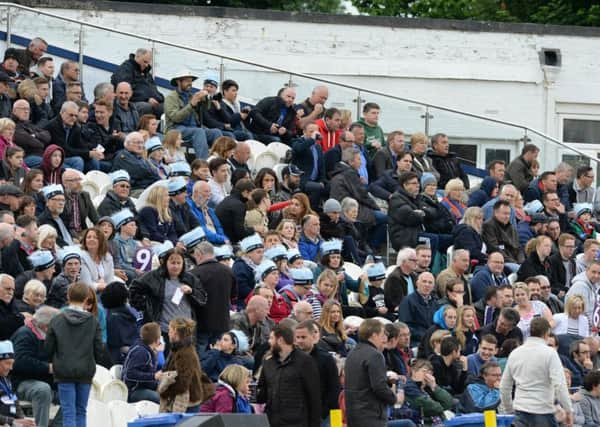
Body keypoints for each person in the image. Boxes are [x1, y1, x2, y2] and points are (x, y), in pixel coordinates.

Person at [45, 281, 104, 427]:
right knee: (81, 411)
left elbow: (48, 348)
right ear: (86, 299)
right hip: (85, 370)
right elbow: (99, 349)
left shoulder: (56, 319)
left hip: (63, 370)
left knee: (68, 412)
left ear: (68, 296)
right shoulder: (93, 321)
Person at [500, 317, 573, 427]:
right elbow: (560, 384)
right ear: (547, 333)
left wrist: (510, 409)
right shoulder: (550, 353)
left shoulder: (515, 353)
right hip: (543, 412)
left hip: (521, 410)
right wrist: (568, 410)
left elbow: (504, 386)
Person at [129, 246, 206, 343]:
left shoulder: (190, 278)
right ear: (165, 263)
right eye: (172, 263)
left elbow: (202, 298)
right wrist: (147, 306)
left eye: (179, 263)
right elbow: (134, 290)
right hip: (164, 330)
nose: (176, 266)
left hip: (186, 330)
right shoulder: (153, 277)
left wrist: (192, 292)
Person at [257, 323, 320, 427]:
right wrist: (251, 393)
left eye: (271, 338)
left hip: (297, 422)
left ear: (280, 340)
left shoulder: (305, 361)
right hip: (273, 421)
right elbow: (262, 393)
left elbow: (314, 397)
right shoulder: (268, 362)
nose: (269, 342)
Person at [10, 306, 60, 427]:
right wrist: (48, 367)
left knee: (72, 390)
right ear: (47, 326)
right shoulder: (25, 334)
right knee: (42, 390)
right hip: (21, 382)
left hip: (44, 380)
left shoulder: (50, 337)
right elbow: (19, 362)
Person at [190, 241, 237, 354]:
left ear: (200, 254)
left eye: (196, 256)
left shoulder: (194, 273)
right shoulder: (228, 271)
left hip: (202, 324)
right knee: (219, 356)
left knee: (200, 358)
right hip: (223, 323)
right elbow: (233, 296)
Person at [160, 317, 210, 413]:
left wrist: (165, 392)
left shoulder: (185, 353)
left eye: (169, 330)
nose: (168, 333)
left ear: (175, 331)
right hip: (188, 399)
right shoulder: (179, 349)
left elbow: (183, 382)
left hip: (189, 403)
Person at [111, 49, 164, 117]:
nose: (146, 65)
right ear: (137, 57)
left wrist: (159, 98)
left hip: (148, 101)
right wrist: (147, 99)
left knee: (166, 107)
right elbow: (127, 91)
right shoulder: (125, 69)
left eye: (148, 63)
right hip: (131, 102)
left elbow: (153, 89)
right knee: (146, 107)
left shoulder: (146, 73)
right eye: (145, 62)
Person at [122, 322, 162, 404]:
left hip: (144, 386)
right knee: (161, 399)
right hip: (133, 391)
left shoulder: (148, 349)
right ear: (157, 340)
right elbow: (130, 374)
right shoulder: (141, 352)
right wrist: (153, 376)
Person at [0, 339, 36, 427]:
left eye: (12, 364)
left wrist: (22, 419)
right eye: (7, 363)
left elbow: (14, 400)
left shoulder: (6, 380)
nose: (11, 368)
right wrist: (13, 422)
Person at [291, 122, 326, 209]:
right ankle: (311, 210)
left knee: (330, 186)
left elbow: (321, 167)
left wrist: (321, 180)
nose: (314, 134)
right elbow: (298, 149)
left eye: (316, 132)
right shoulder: (297, 141)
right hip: (302, 179)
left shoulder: (318, 147)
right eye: (311, 131)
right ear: (304, 132)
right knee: (316, 188)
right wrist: (311, 139)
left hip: (315, 180)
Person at [482, 200, 524, 269]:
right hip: (501, 262)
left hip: (515, 262)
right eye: (504, 213)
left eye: (509, 214)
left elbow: (519, 248)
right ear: (495, 213)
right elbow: (494, 248)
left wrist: (522, 262)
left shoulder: (512, 228)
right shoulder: (488, 226)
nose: (507, 216)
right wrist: (514, 262)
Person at [398, 272, 437, 346]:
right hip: (415, 342)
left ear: (433, 286)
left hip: (432, 340)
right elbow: (405, 325)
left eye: (430, 282)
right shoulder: (408, 301)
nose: (427, 285)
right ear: (417, 283)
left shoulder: (435, 302)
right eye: (424, 281)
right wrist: (427, 336)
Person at [215, 178, 257, 244]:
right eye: (251, 195)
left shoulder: (227, 199)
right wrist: (254, 229)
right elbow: (240, 233)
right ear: (245, 192)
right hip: (229, 242)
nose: (251, 198)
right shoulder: (239, 206)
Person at [565, 260, 600, 331]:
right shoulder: (580, 286)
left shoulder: (593, 284)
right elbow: (581, 313)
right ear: (587, 270)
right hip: (578, 329)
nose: (596, 276)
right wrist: (594, 329)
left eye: (599, 273)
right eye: (593, 272)